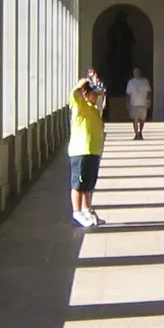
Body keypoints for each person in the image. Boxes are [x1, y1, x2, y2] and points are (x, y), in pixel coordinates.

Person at [69, 68, 107, 227]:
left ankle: (87, 209)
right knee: (78, 184)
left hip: (93, 152)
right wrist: (85, 82)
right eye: (94, 94)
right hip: (81, 151)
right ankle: (77, 212)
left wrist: (98, 85)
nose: (96, 96)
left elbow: (104, 96)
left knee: (89, 184)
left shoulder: (94, 109)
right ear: (86, 94)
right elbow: (75, 93)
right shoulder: (80, 107)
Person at [125, 67, 151, 139]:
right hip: (134, 104)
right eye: (135, 72)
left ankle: (140, 131)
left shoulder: (145, 81)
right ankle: (137, 134)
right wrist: (127, 103)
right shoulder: (131, 82)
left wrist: (149, 101)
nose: (136, 73)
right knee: (135, 119)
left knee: (142, 120)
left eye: (138, 72)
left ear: (140, 73)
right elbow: (128, 94)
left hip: (143, 103)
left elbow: (149, 92)